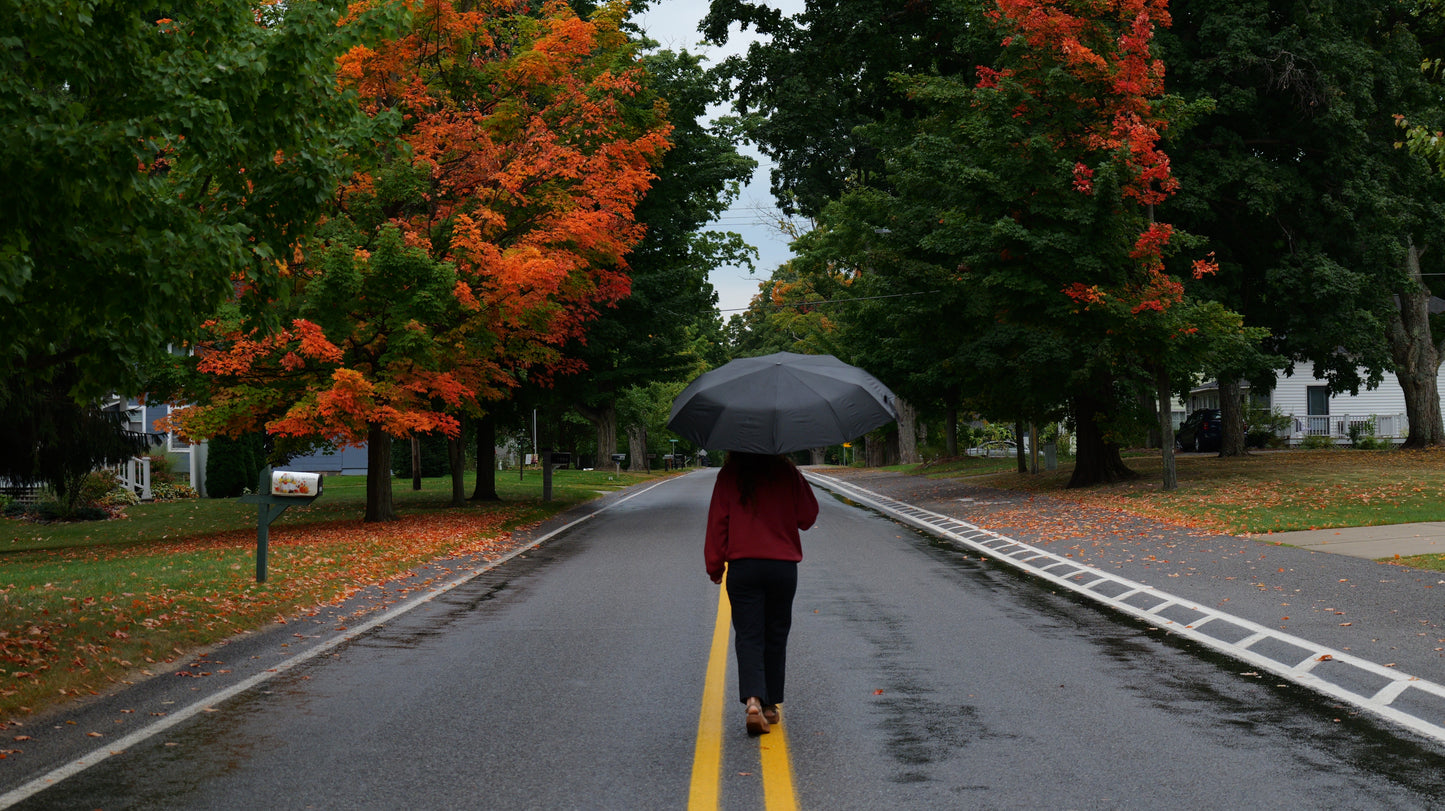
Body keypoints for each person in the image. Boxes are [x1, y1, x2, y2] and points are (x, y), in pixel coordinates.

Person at [704, 452, 819, 735]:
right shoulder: (785, 472)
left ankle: (754, 701)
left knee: (749, 634)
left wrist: (715, 566)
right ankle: (769, 706)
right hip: (782, 567)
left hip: (745, 567)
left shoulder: (730, 474)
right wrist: (795, 473)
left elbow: (718, 523)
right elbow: (807, 516)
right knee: (775, 633)